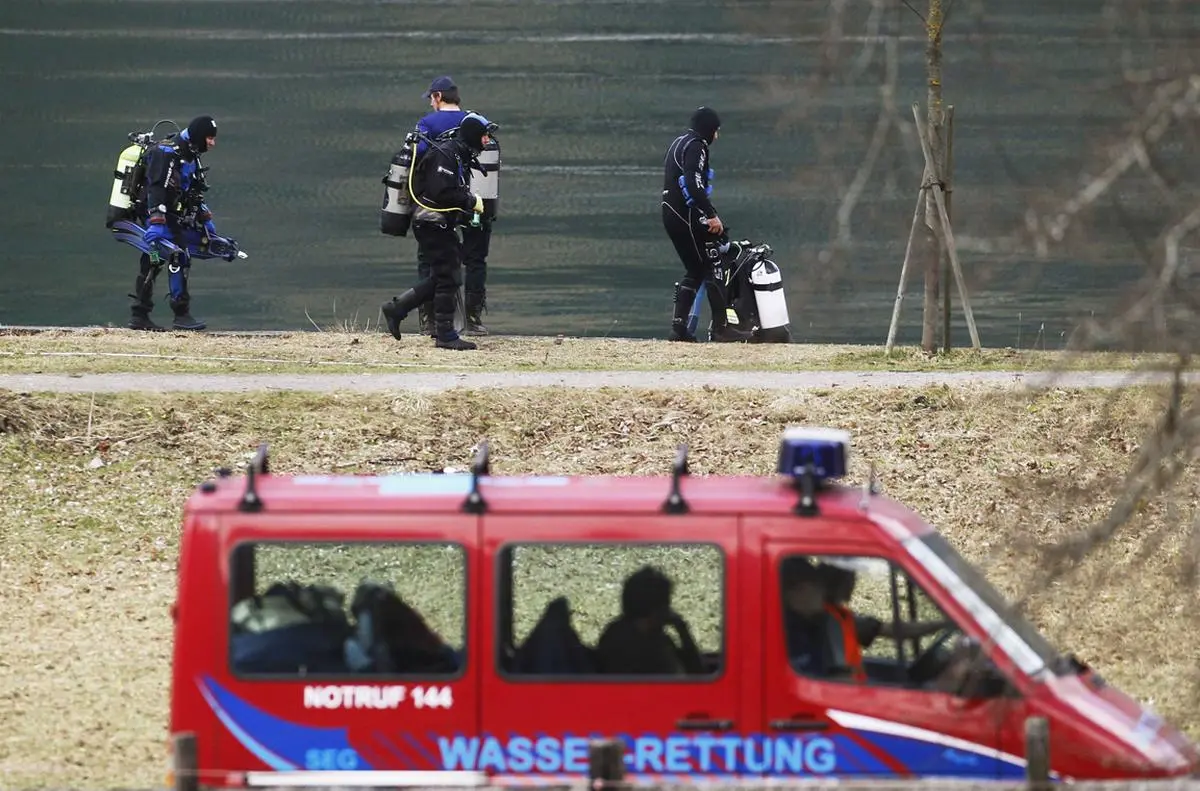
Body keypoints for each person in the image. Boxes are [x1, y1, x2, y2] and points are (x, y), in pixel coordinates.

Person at [380, 113, 491, 351]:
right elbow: (440, 192)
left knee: (441, 277)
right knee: (449, 277)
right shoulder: (446, 155)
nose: (487, 142)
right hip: (431, 222)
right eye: (484, 136)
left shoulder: (458, 154)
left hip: (437, 222)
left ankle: (397, 308)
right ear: (473, 135)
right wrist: (471, 201)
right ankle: (445, 335)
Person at [411, 76, 493, 338]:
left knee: (429, 259)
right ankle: (473, 319)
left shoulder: (426, 124)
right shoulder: (476, 121)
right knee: (475, 258)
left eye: (431, 99)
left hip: (439, 205)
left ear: (437, 97)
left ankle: (430, 320)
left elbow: (415, 159)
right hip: (474, 200)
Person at [661, 106, 751, 343]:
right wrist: (711, 215)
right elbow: (692, 183)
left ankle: (679, 329)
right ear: (708, 130)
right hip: (687, 215)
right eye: (716, 130)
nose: (716, 136)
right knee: (714, 266)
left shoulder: (678, 142)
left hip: (671, 215)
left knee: (695, 269)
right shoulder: (696, 145)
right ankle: (722, 328)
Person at [129, 115, 224, 331]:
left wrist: (206, 219)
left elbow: (193, 192)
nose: (212, 143)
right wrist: (156, 222)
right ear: (199, 136)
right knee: (177, 255)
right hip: (156, 214)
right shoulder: (167, 154)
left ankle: (139, 314)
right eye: (209, 138)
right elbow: (156, 188)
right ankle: (181, 314)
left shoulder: (190, 156)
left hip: (170, 215)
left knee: (153, 259)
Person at [595, 566, 703, 675]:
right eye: (667, 604)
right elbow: (697, 675)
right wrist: (683, 631)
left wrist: (683, 631)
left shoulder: (615, 633)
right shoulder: (650, 649)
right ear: (658, 609)